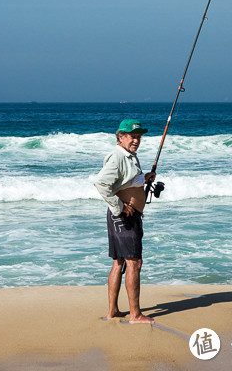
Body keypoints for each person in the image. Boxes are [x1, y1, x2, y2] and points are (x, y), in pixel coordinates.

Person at [94, 119, 156, 324]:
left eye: (138, 137)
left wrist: (144, 179)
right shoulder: (118, 156)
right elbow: (101, 183)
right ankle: (135, 315)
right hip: (123, 217)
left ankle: (113, 312)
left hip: (124, 217)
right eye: (132, 136)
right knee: (134, 263)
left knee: (119, 262)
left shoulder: (129, 156)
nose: (136, 140)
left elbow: (124, 181)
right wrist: (120, 207)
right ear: (121, 136)